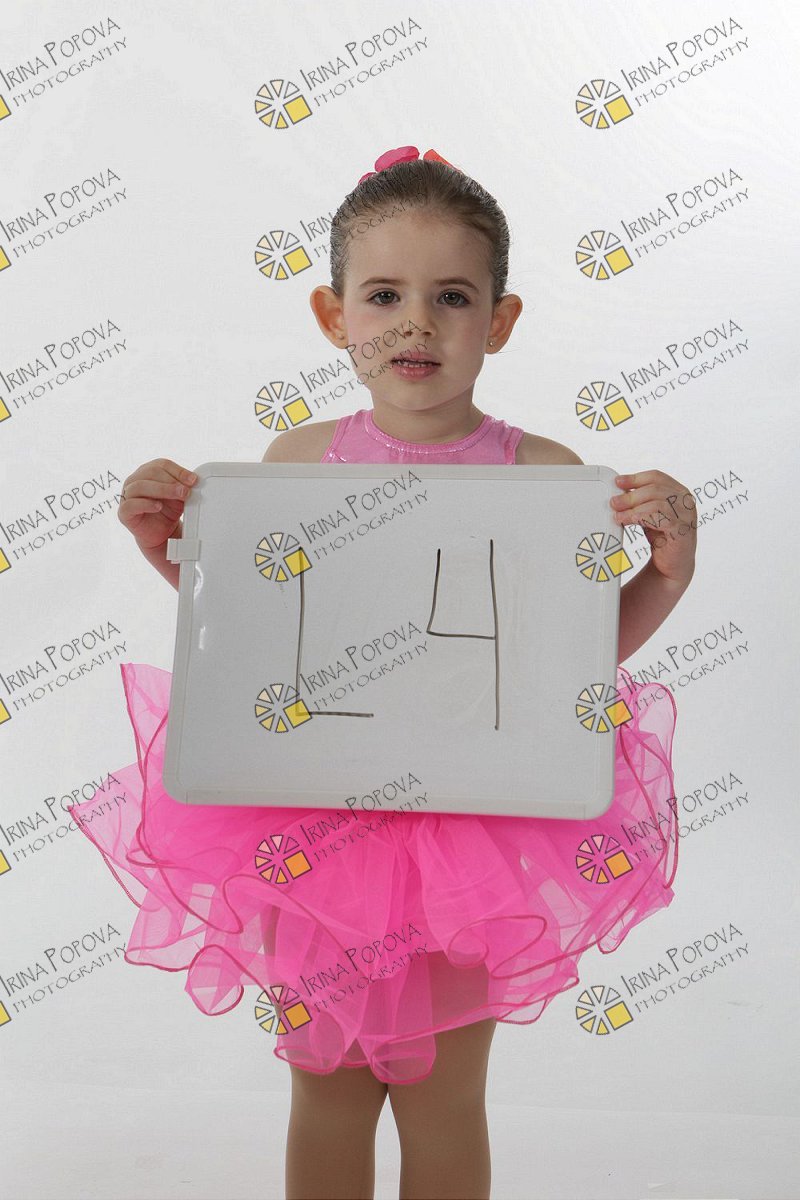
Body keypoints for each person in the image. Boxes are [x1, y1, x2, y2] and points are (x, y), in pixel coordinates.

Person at [70, 146, 697, 1200]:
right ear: (334, 317)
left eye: (451, 297)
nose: (416, 324)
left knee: (442, 1095)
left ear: (498, 321)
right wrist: (164, 550)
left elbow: (563, 667)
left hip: (468, 841)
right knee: (326, 1087)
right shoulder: (297, 462)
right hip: (315, 829)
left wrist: (665, 575)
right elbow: (266, 637)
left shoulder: (547, 479)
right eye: (384, 296)